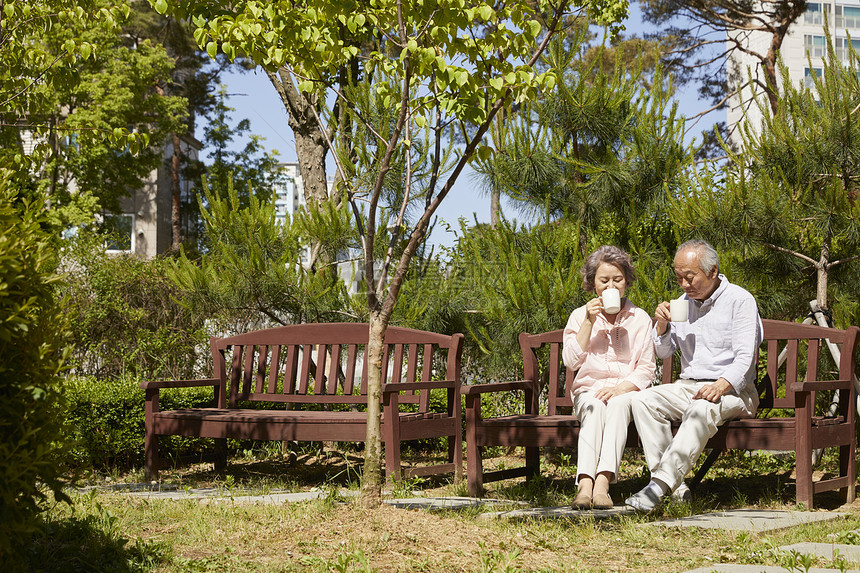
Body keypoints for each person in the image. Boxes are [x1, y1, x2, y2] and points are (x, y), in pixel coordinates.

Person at [625, 239, 762, 512]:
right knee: (642, 400)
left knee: (701, 408)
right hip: (689, 386)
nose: (685, 285)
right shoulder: (681, 304)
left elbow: (746, 359)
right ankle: (676, 489)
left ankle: (658, 487)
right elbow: (664, 352)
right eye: (679, 278)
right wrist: (661, 326)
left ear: (712, 271)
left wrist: (722, 384)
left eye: (690, 277)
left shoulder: (740, 300)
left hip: (735, 391)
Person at [562, 246, 656, 510]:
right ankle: (585, 485)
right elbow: (570, 361)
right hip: (588, 391)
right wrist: (589, 323)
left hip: (625, 392)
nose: (611, 285)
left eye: (618, 279)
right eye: (604, 280)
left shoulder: (640, 318)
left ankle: (602, 483)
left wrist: (621, 388)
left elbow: (647, 367)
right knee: (593, 406)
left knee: (615, 405)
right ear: (593, 283)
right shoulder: (580, 316)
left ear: (627, 282)